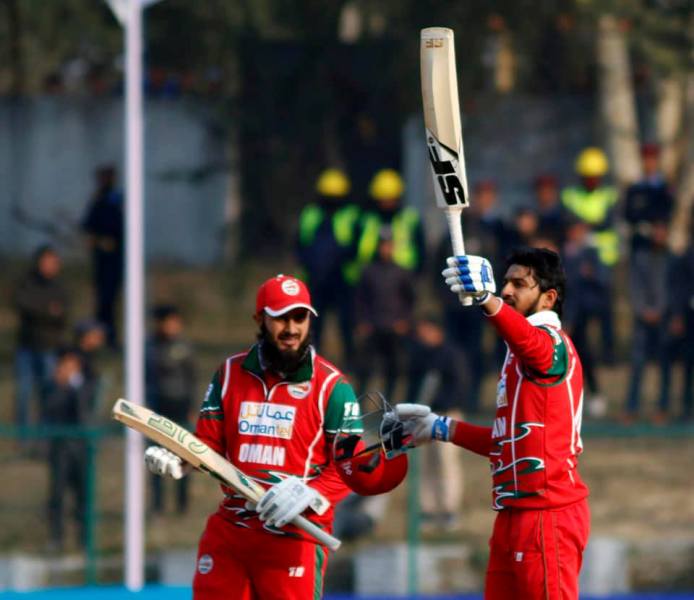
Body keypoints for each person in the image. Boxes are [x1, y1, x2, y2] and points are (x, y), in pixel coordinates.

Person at [144, 274, 407, 599]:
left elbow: (350, 467)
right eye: (281, 318)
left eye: (299, 318)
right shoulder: (229, 373)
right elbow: (208, 446)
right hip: (234, 529)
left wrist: (309, 493)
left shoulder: (332, 387)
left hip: (295, 535)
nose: (291, 328)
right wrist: (180, 459)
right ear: (260, 319)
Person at [392, 247, 589, 599]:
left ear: (549, 297)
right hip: (513, 515)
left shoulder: (552, 344)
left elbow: (533, 345)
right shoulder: (517, 355)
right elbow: (506, 444)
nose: (508, 291)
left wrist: (487, 299)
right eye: (504, 283)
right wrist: (442, 428)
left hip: (548, 514)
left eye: (519, 284)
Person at [405, 313, 470, 530]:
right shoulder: (419, 355)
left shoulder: (452, 355)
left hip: (446, 415)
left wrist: (440, 403)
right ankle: (428, 511)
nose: (421, 335)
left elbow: (460, 385)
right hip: (423, 418)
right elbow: (412, 385)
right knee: (424, 465)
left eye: (425, 330)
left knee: (446, 463)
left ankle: (449, 510)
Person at [296, 168, 361, 360]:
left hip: (344, 278)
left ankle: (350, 360)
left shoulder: (351, 215)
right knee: (315, 324)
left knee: (346, 323)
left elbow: (357, 246)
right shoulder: (310, 214)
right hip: (316, 279)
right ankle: (311, 358)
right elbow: (300, 244)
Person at [561, 147, 619, 362]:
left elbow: (609, 222)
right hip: (578, 261)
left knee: (605, 311)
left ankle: (610, 351)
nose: (591, 180)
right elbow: (568, 220)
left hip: (604, 261)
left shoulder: (609, 195)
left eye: (595, 177)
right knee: (578, 310)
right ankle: (579, 350)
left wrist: (585, 225)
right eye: (588, 176)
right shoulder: (570, 196)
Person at [622, 220, 679, 425]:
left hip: (664, 319)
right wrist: (643, 310)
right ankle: (631, 408)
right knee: (637, 365)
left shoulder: (673, 259)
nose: (659, 234)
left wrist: (662, 312)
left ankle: (662, 408)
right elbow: (634, 286)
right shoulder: (640, 258)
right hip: (642, 319)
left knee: (665, 366)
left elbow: (673, 290)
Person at [354, 228, 416, 401]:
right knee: (365, 368)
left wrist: (405, 321)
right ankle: (359, 402)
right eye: (383, 246)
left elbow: (410, 300)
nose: (385, 249)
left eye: (389, 246)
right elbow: (360, 299)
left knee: (393, 369)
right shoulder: (369, 271)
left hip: (394, 327)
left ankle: (387, 403)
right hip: (373, 325)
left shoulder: (401, 272)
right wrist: (362, 321)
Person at [43, 347, 95, 552]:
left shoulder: (85, 386)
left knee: (83, 496)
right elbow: (50, 409)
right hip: (60, 449)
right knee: (57, 495)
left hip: (81, 448)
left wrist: (73, 387)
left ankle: (84, 540)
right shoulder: (51, 387)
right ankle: (56, 538)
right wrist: (61, 387)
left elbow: (84, 412)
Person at [145, 304, 196, 514]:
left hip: (181, 408)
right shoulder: (150, 348)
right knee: (157, 457)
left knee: (184, 457)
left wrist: (193, 407)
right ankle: (157, 504)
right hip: (159, 407)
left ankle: (181, 504)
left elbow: (192, 378)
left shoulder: (184, 347)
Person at [13, 245, 70, 430]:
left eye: (53, 262)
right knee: (24, 392)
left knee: (47, 392)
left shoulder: (60, 288)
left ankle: (44, 435)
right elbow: (22, 304)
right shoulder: (27, 283)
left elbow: (63, 314)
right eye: (46, 262)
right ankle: (23, 436)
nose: (49, 266)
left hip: (49, 347)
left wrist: (39, 310)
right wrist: (48, 310)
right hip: (27, 347)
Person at [81, 165, 124, 348]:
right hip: (102, 260)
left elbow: (123, 227)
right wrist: (97, 241)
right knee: (103, 301)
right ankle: (102, 337)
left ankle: (110, 338)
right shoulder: (98, 199)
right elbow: (88, 225)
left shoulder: (117, 199)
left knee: (110, 300)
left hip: (116, 259)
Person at [356, 169, 426, 275]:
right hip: (372, 276)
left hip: (404, 276)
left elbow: (421, 251)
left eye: (390, 199)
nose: (387, 204)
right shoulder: (366, 221)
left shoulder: (410, 219)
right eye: (383, 200)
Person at [623, 143, 675, 254]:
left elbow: (668, 212)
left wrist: (658, 226)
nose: (649, 163)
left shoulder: (664, 188)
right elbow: (629, 213)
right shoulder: (635, 189)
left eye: (652, 159)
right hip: (639, 242)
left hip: (658, 244)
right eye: (646, 159)